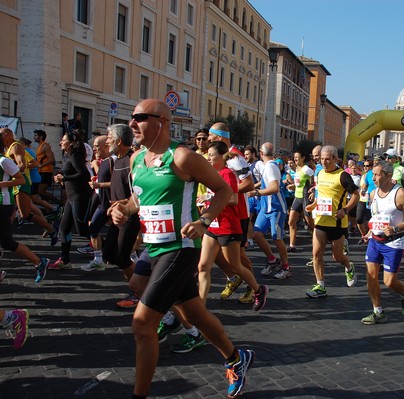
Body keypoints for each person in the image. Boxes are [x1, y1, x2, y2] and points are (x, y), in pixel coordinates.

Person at [110, 99, 255, 398]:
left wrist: (204, 221)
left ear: (161, 120)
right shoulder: (137, 159)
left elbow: (224, 190)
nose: (132, 124)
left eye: (139, 118)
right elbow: (139, 200)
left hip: (181, 246)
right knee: (193, 311)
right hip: (153, 246)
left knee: (141, 325)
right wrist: (122, 208)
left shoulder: (182, 157)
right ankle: (236, 357)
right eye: (132, 118)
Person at [197, 141, 267, 312]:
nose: (208, 158)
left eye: (211, 155)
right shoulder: (213, 173)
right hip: (213, 224)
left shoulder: (227, 173)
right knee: (203, 266)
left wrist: (208, 200)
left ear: (222, 157)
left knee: (235, 266)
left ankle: (259, 290)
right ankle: (200, 306)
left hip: (228, 226)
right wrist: (204, 200)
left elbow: (233, 199)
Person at [362, 161, 404, 324]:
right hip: (375, 242)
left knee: (389, 281)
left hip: (393, 242)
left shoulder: (399, 194)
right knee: (370, 276)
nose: (374, 178)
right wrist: (370, 231)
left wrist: (396, 228)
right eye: (373, 174)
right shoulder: (373, 194)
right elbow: (376, 217)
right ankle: (377, 311)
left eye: (377, 174)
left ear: (389, 176)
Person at [306, 145, 359, 298]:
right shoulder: (320, 173)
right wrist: (314, 204)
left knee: (337, 257)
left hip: (337, 222)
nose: (324, 162)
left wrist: (345, 210)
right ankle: (320, 285)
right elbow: (321, 193)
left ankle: (349, 266)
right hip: (321, 220)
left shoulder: (343, 176)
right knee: (316, 253)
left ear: (335, 159)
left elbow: (356, 194)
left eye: (328, 159)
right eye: (322, 159)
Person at [103, 124, 142, 308]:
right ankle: (139, 287)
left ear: (119, 141)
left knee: (122, 255)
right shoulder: (116, 160)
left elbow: (139, 192)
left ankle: (139, 292)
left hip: (129, 217)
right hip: (116, 217)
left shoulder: (130, 160)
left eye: (109, 137)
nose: (106, 140)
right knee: (109, 253)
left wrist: (124, 205)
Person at [0, 142, 49, 283]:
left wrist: (2, 184)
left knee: (7, 241)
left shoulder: (4, 161)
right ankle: (39, 262)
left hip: (3, 203)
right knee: (7, 242)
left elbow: (21, 179)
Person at [48, 131, 93, 270]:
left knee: (83, 230)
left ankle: (110, 249)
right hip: (72, 197)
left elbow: (84, 174)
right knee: (64, 227)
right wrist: (61, 177)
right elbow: (74, 173)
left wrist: (64, 178)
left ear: (72, 142)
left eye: (63, 140)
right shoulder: (70, 155)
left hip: (80, 197)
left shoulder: (75, 155)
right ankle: (65, 259)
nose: (61, 142)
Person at [253, 142, 291, 279]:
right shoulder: (269, 166)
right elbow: (267, 182)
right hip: (265, 207)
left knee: (277, 238)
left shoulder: (270, 167)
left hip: (276, 208)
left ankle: (286, 267)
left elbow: (274, 187)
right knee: (257, 234)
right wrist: (253, 186)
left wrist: (256, 192)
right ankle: (272, 260)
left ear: (261, 153)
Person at [82, 135, 111, 271]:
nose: (94, 149)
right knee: (93, 228)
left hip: (112, 201)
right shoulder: (103, 160)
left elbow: (118, 183)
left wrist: (99, 183)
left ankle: (132, 258)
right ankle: (99, 259)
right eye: (94, 146)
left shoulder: (113, 161)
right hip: (102, 199)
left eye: (97, 146)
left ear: (107, 145)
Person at [287, 150, 314, 252]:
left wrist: (312, 189)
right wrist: (292, 186)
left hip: (305, 198)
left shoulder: (306, 169)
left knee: (310, 223)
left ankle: (318, 241)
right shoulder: (297, 169)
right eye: (294, 158)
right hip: (297, 198)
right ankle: (292, 245)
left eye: (297, 157)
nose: (295, 159)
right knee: (291, 221)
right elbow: (299, 184)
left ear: (303, 158)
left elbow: (314, 179)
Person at [33, 129, 60, 204]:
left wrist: (40, 165)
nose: (34, 137)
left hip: (46, 171)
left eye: (36, 135)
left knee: (41, 191)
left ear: (41, 137)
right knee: (41, 192)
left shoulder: (45, 146)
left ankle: (60, 203)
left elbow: (51, 159)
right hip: (40, 172)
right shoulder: (39, 146)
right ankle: (49, 209)